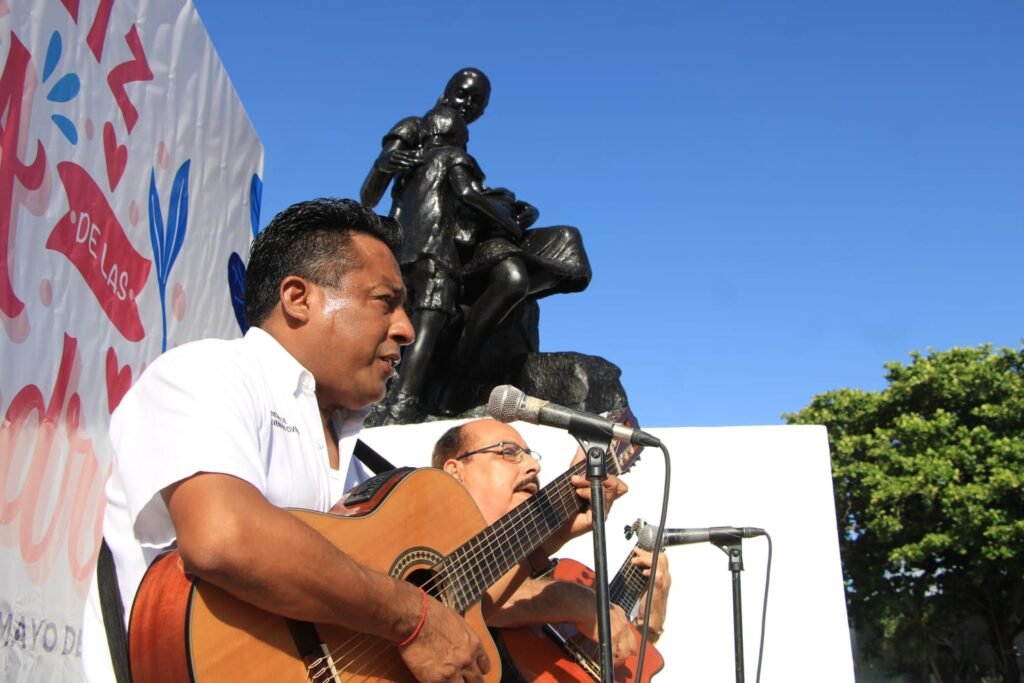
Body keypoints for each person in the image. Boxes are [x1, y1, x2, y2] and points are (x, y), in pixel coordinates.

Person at [81, 198, 492, 683]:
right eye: (386, 301)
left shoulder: (365, 473)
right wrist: (411, 617)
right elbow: (223, 536)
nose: (405, 329)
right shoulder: (207, 373)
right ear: (299, 298)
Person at [431, 418, 671, 673]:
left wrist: (647, 629)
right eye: (509, 452)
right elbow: (435, 597)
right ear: (455, 472)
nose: (534, 466)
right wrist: (568, 599)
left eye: (529, 455)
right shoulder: (413, 535)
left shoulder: (542, 572)